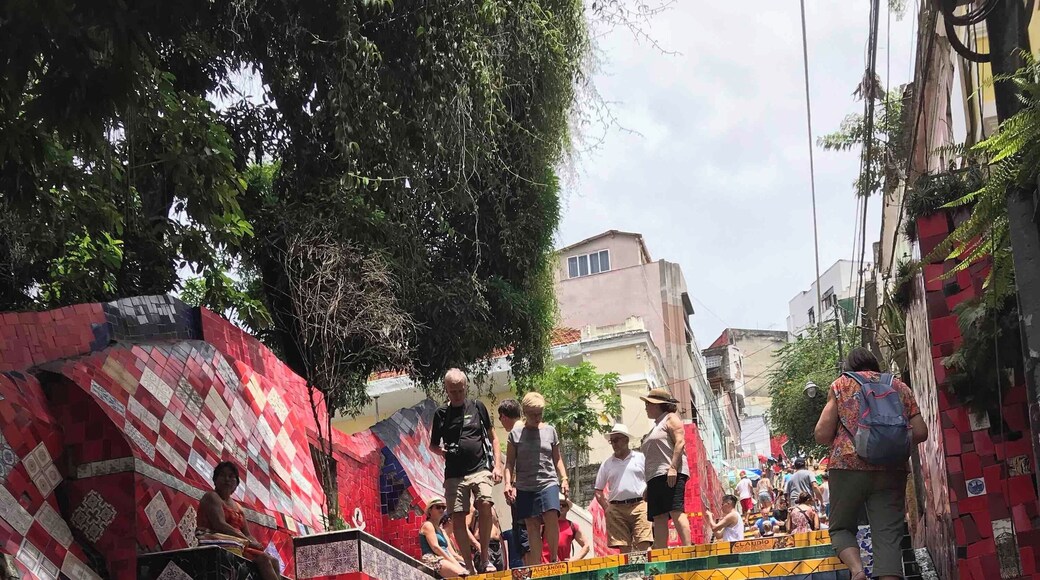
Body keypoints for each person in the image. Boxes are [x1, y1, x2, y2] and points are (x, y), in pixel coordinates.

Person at [814, 347, 929, 580]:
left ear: (848, 366)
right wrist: (888, 444)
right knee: (888, 535)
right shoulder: (899, 386)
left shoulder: (841, 385)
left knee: (841, 527)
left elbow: (822, 434)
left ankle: (857, 571)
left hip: (847, 467)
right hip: (892, 469)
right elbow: (921, 432)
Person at [430, 369, 502, 573]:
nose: (457, 395)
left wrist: (497, 465)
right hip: (454, 474)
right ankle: (470, 567)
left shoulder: (478, 407)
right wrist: (442, 451)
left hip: (479, 468)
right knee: (459, 517)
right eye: (453, 391)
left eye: (460, 390)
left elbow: (493, 438)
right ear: (446, 390)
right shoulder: (441, 414)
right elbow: (433, 445)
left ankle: (485, 556)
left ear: (466, 387)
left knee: (485, 503)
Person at [504, 392, 569, 565]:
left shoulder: (550, 431)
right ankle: (539, 564)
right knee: (532, 525)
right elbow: (509, 463)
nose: (537, 417)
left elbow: (557, 459)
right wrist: (507, 483)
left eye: (540, 413)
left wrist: (564, 478)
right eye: (533, 414)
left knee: (551, 516)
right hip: (525, 485)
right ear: (525, 412)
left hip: (548, 482)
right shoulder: (515, 434)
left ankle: (554, 559)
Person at [197, 462, 281, 580]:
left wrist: (256, 544)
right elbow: (219, 525)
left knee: (274, 561)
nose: (227, 479)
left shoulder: (238, 507)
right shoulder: (211, 497)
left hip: (238, 542)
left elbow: (247, 534)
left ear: (236, 483)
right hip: (216, 540)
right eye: (222, 475)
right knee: (264, 559)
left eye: (231, 476)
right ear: (215, 480)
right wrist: (247, 541)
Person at [639, 388, 692, 548]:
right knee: (659, 516)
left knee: (676, 510)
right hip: (655, 478)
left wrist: (673, 467)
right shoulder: (654, 427)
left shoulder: (671, 419)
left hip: (670, 473)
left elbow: (680, 442)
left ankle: (688, 548)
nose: (646, 407)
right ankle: (660, 554)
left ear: (657, 405)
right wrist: (648, 485)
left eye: (648, 404)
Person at [594, 424, 654, 554]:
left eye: (617, 440)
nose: (614, 444)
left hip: (640, 505)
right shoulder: (607, 464)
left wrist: (648, 499)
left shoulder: (640, 458)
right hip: (616, 509)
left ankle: (650, 573)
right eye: (612, 441)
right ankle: (628, 574)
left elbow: (651, 479)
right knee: (624, 548)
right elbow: (598, 490)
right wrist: (607, 508)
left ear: (626, 440)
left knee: (644, 542)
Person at [497, 399, 530, 566]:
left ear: (503, 416)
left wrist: (511, 485)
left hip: (522, 490)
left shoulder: (516, 433)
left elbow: (512, 464)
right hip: (529, 489)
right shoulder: (528, 429)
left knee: (524, 536)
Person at [419, 498, 469, 578]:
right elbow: (435, 547)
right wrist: (454, 563)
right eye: (438, 507)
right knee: (462, 575)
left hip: (444, 558)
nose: (441, 509)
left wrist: (465, 563)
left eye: (443, 507)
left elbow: (451, 553)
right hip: (433, 559)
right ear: (430, 510)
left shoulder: (442, 531)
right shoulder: (428, 525)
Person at [540, 496, 589, 562]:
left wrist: (573, 560)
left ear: (568, 508)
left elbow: (586, 546)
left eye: (564, 505)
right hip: (544, 566)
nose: (560, 507)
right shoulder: (544, 525)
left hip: (563, 567)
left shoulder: (572, 526)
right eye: (558, 504)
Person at [467, 506, 507, 571]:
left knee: (500, 575)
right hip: (484, 546)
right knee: (486, 574)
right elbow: (465, 529)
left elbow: (497, 527)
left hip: (497, 546)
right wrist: (478, 546)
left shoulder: (492, 507)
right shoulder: (472, 507)